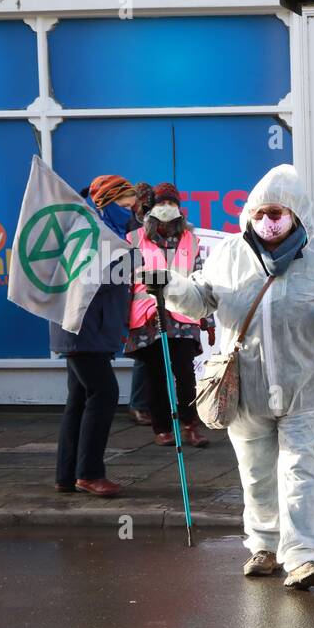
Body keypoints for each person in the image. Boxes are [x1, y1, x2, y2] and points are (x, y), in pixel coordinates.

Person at [161, 164, 314, 590]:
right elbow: (200, 300)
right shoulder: (228, 254)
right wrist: (166, 285)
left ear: (294, 214)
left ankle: (303, 557)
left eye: (276, 212)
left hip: (305, 387)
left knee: (299, 470)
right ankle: (264, 545)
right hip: (246, 388)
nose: (267, 221)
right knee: (255, 473)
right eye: (259, 213)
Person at [50, 174, 135, 497]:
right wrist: (134, 261)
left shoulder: (98, 230)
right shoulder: (92, 233)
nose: (131, 212)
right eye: (125, 205)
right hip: (84, 328)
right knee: (104, 393)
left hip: (84, 328)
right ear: (107, 202)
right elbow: (100, 275)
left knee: (79, 398)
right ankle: (89, 473)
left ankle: (67, 473)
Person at [124, 182, 208, 448]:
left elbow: (200, 278)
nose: (167, 209)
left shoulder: (191, 239)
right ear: (152, 208)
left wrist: (207, 316)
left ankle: (190, 424)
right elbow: (127, 277)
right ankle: (161, 428)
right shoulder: (135, 239)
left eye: (172, 204)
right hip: (148, 314)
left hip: (183, 313)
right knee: (156, 375)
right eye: (162, 204)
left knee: (185, 373)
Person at [125, 182, 154, 427]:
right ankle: (138, 405)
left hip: (150, 299)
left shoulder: (148, 225)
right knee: (144, 356)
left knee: (150, 355)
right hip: (138, 300)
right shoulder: (133, 227)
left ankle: (145, 405)